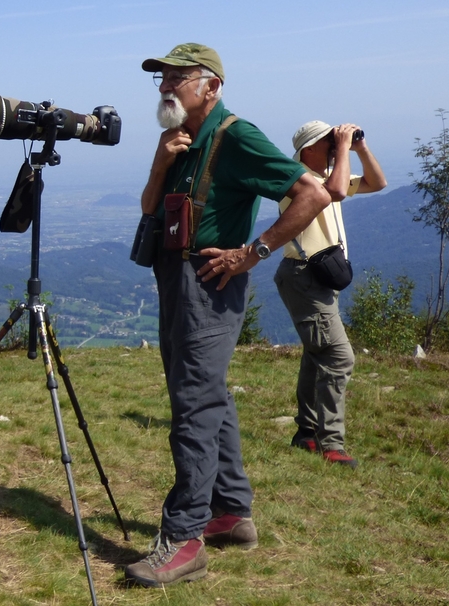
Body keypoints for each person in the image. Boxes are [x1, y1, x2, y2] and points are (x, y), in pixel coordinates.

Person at [126, 43, 330, 588]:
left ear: (211, 86)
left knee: (192, 404)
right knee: (205, 392)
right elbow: (149, 207)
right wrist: (161, 161)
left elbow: (312, 194)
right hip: (176, 275)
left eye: (178, 78)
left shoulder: (236, 136)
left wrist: (252, 253)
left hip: (210, 283)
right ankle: (232, 513)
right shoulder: (181, 138)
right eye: (162, 78)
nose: (166, 86)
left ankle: (184, 538)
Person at [275, 121, 386, 468]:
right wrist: (343, 148)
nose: (335, 146)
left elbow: (377, 183)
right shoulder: (298, 180)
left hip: (319, 278)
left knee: (317, 354)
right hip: (303, 277)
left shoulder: (325, 175)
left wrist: (359, 148)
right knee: (338, 357)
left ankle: (307, 433)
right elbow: (336, 191)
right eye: (328, 141)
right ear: (308, 149)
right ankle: (331, 443)